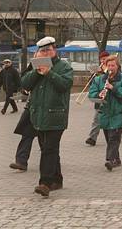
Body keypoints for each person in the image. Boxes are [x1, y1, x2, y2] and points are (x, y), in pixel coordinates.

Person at [21, 36, 73, 197]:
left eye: (48, 50)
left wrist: (49, 73)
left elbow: (64, 85)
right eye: (42, 51)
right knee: (48, 149)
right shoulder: (35, 67)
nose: (45, 53)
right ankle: (57, 179)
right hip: (38, 117)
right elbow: (24, 84)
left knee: (48, 150)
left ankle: (45, 183)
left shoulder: (64, 67)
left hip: (56, 117)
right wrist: (37, 71)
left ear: (54, 50)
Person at [89, 55, 122, 171]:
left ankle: (110, 160)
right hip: (105, 114)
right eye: (108, 66)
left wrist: (114, 88)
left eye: (113, 65)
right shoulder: (99, 80)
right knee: (110, 138)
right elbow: (91, 93)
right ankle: (116, 159)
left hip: (119, 113)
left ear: (117, 66)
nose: (111, 68)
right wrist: (99, 95)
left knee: (114, 138)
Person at [85, 51, 110, 146]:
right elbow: (91, 84)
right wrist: (94, 75)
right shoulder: (98, 71)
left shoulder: (113, 67)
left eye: (105, 59)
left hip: (110, 99)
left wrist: (104, 72)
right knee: (96, 120)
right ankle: (92, 138)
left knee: (109, 121)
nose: (103, 61)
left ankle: (114, 136)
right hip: (99, 99)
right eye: (102, 59)